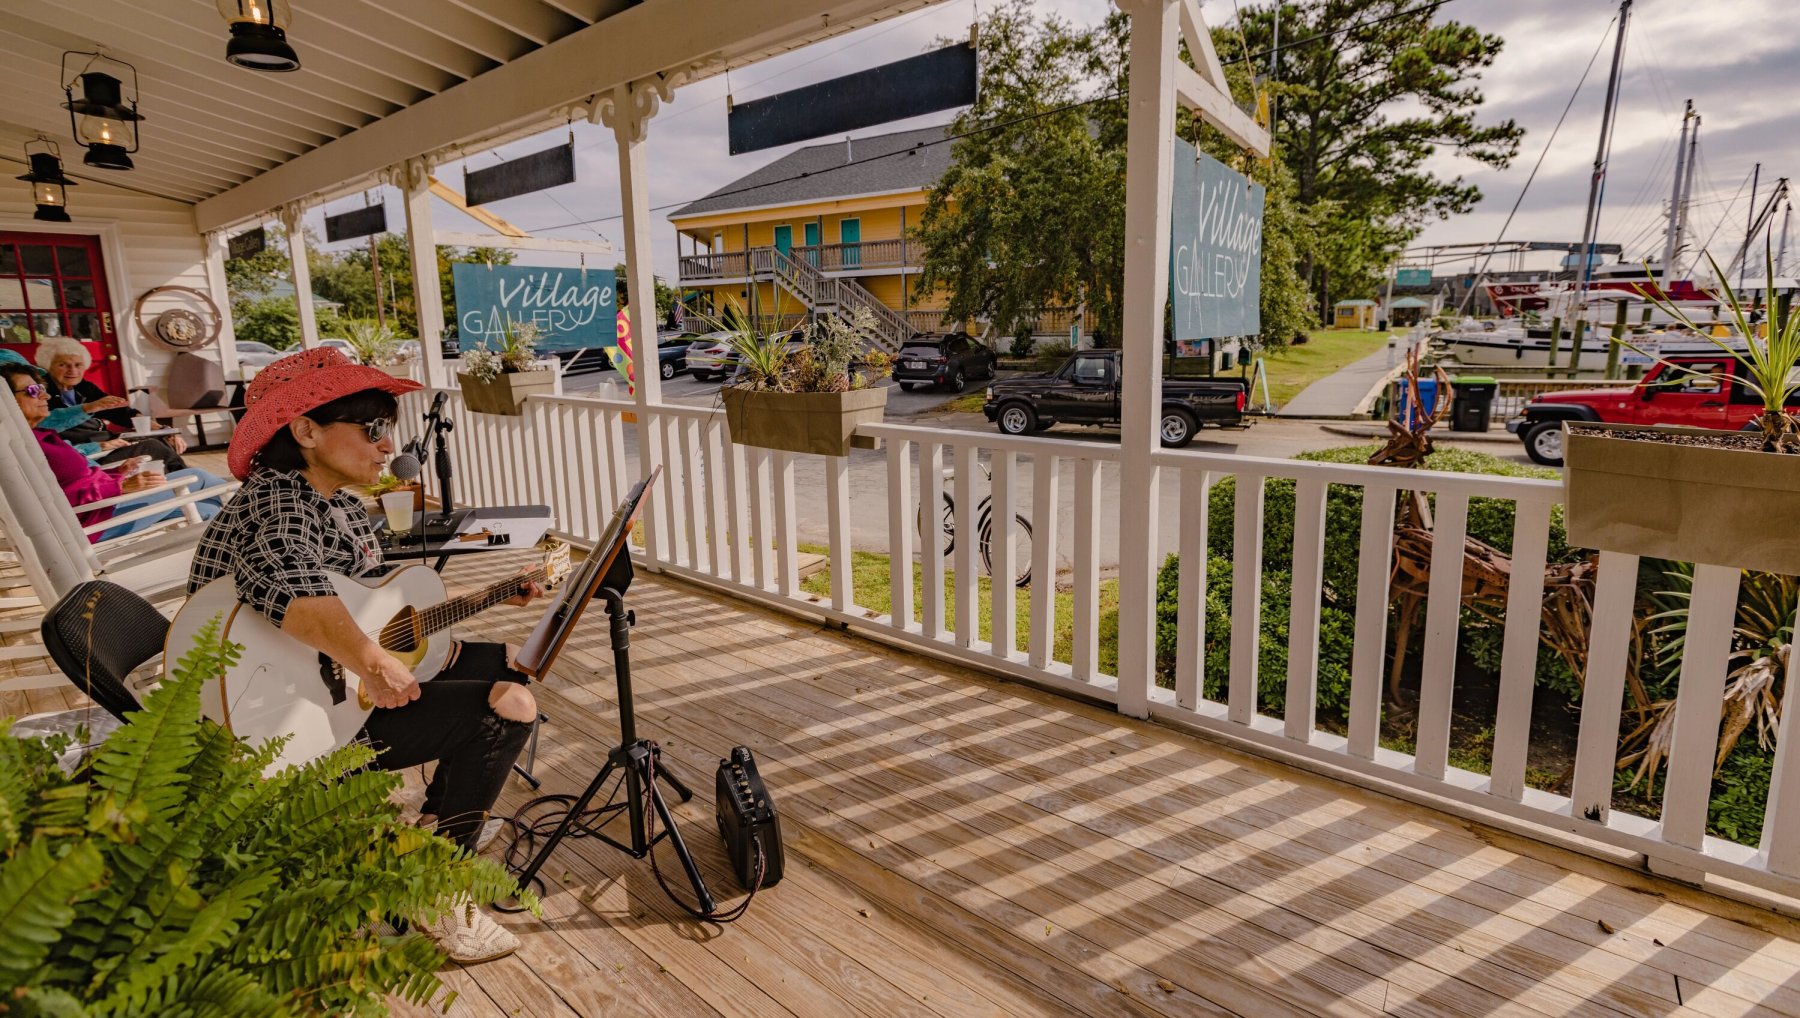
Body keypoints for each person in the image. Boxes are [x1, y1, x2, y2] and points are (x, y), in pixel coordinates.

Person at [186, 347, 541, 965]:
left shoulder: (339, 504)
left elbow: (377, 605)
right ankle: (441, 889)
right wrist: (372, 662)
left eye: (389, 430)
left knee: (504, 663)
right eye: (373, 429)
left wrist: (491, 596)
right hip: (282, 716)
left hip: (326, 688)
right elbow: (291, 589)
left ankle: (440, 826)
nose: (386, 446)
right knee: (507, 706)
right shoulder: (277, 500)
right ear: (305, 432)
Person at [4, 363, 226, 541]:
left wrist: (117, 473)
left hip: (100, 507)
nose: (45, 396)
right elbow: (47, 500)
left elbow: (73, 482)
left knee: (209, 508)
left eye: (42, 389)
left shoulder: (36, 436)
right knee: (200, 477)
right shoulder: (20, 447)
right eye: (33, 391)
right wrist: (118, 485)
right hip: (93, 520)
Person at [17, 342, 189, 471]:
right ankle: (187, 487)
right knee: (154, 447)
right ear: (48, 365)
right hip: (90, 454)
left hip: (109, 442)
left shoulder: (84, 387)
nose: (72, 370)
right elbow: (50, 429)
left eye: (78, 365)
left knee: (161, 441)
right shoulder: (41, 395)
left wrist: (164, 430)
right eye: (63, 365)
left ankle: (179, 486)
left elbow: (121, 412)